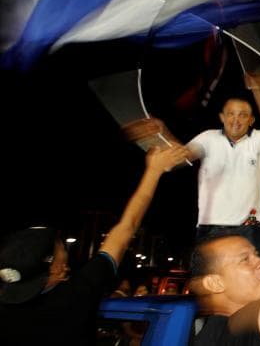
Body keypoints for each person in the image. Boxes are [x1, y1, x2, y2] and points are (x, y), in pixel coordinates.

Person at [0, 145, 190, 345]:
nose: (65, 248)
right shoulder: (77, 294)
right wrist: (154, 170)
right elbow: (126, 229)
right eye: (60, 246)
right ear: (55, 267)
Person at [187, 90, 260, 257]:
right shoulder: (207, 138)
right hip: (210, 227)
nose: (236, 120)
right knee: (208, 280)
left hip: (249, 228)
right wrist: (159, 134)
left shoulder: (259, 139)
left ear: (251, 120)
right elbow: (181, 156)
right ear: (222, 117)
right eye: (231, 114)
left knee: (255, 279)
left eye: (243, 115)